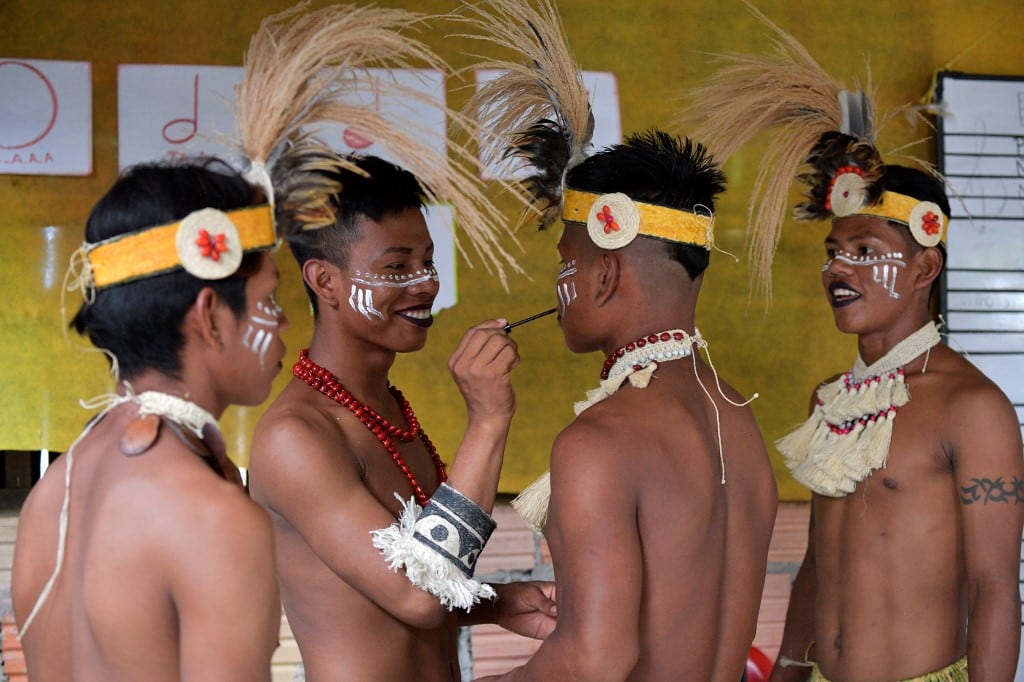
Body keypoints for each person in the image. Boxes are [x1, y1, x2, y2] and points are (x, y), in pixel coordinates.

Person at [683, 12, 1024, 679]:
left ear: (925, 268)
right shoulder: (831, 400)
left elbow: (994, 589)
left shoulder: (972, 408)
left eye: (866, 252)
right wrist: (787, 670)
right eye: (834, 252)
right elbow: (818, 564)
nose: (838, 269)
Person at [248, 148, 557, 681]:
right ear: (325, 282)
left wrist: (498, 602)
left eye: (427, 261)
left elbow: (388, 591)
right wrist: (487, 420)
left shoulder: (384, 408)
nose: (426, 283)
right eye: (397, 267)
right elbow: (418, 595)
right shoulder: (295, 437)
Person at [11, 160, 287, 681]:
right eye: (268, 299)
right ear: (210, 315)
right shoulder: (213, 517)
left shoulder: (51, 493)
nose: (284, 321)